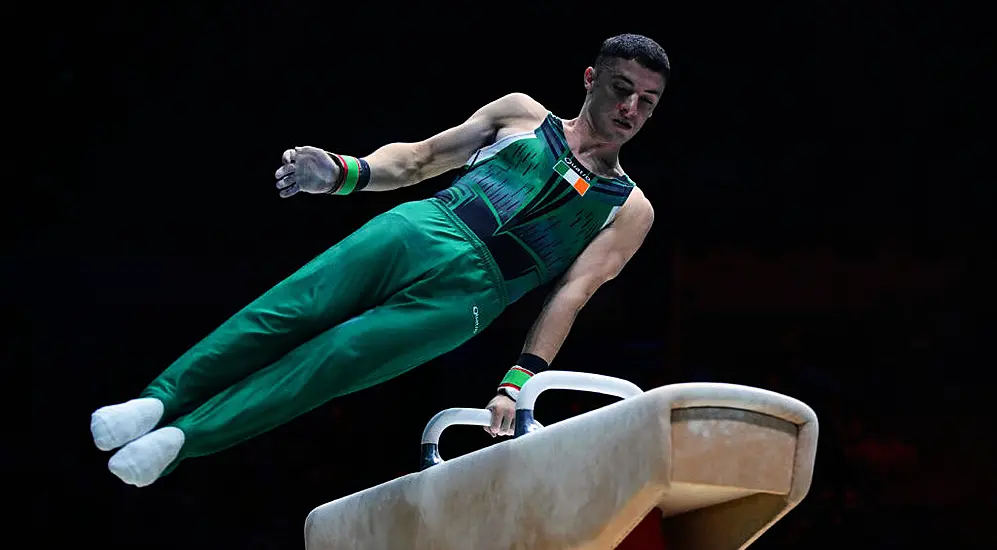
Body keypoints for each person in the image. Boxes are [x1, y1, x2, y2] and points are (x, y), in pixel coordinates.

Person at [90, 33, 670, 487]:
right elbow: (418, 160)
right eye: (621, 88)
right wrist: (345, 172)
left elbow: (570, 295)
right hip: (420, 226)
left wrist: (518, 381)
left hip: (468, 298)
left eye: (647, 101)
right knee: (290, 310)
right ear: (591, 78)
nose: (631, 109)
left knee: (333, 361)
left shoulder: (629, 208)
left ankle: (182, 439)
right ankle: (158, 400)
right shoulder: (521, 114)